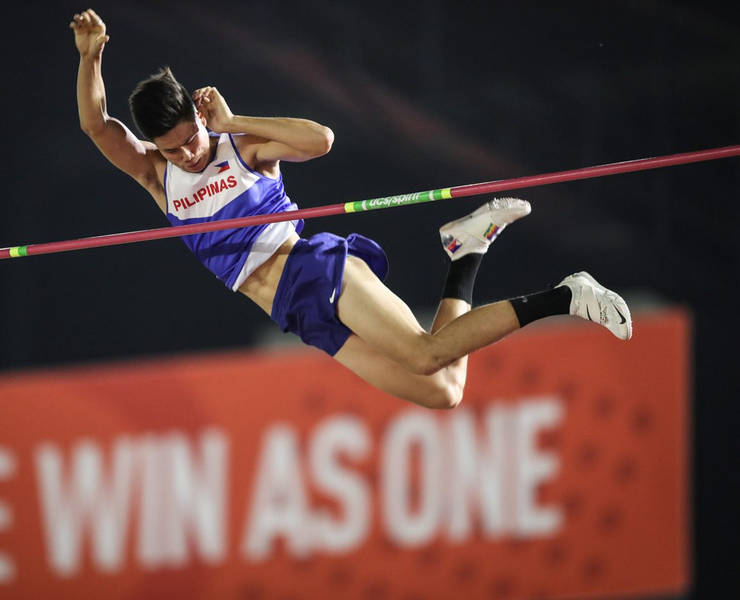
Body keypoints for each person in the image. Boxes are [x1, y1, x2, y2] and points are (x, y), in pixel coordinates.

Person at [69, 9, 631, 409]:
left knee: (425, 354)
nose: (188, 154)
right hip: (297, 315)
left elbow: (322, 140)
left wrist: (233, 122)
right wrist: (91, 58)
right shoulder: (158, 176)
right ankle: (465, 252)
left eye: (191, 138)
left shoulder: (239, 148)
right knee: (443, 391)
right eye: (172, 149)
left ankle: (566, 295)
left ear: (199, 115)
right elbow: (97, 125)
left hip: (313, 268)